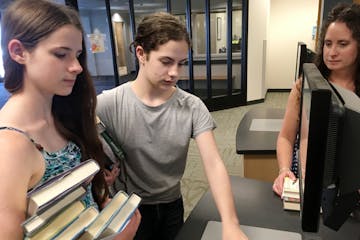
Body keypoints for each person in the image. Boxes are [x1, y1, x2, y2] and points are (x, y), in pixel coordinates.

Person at [96, 12, 248, 240]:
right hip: (128, 209)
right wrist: (99, 175)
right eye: (166, 62)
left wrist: (231, 223)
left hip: (172, 205)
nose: (175, 73)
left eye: (181, 64)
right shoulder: (108, 104)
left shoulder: (192, 106)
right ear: (141, 54)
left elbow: (214, 163)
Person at [0, 0, 140, 239]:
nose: (76, 67)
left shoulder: (62, 113)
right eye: (61, 54)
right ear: (18, 52)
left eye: (77, 55)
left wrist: (101, 206)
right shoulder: (10, 147)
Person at [272, 2, 360, 196]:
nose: (332, 52)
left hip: (350, 188)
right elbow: (286, 137)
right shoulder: (304, 85)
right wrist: (284, 170)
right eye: (328, 44)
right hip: (306, 179)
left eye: (342, 44)